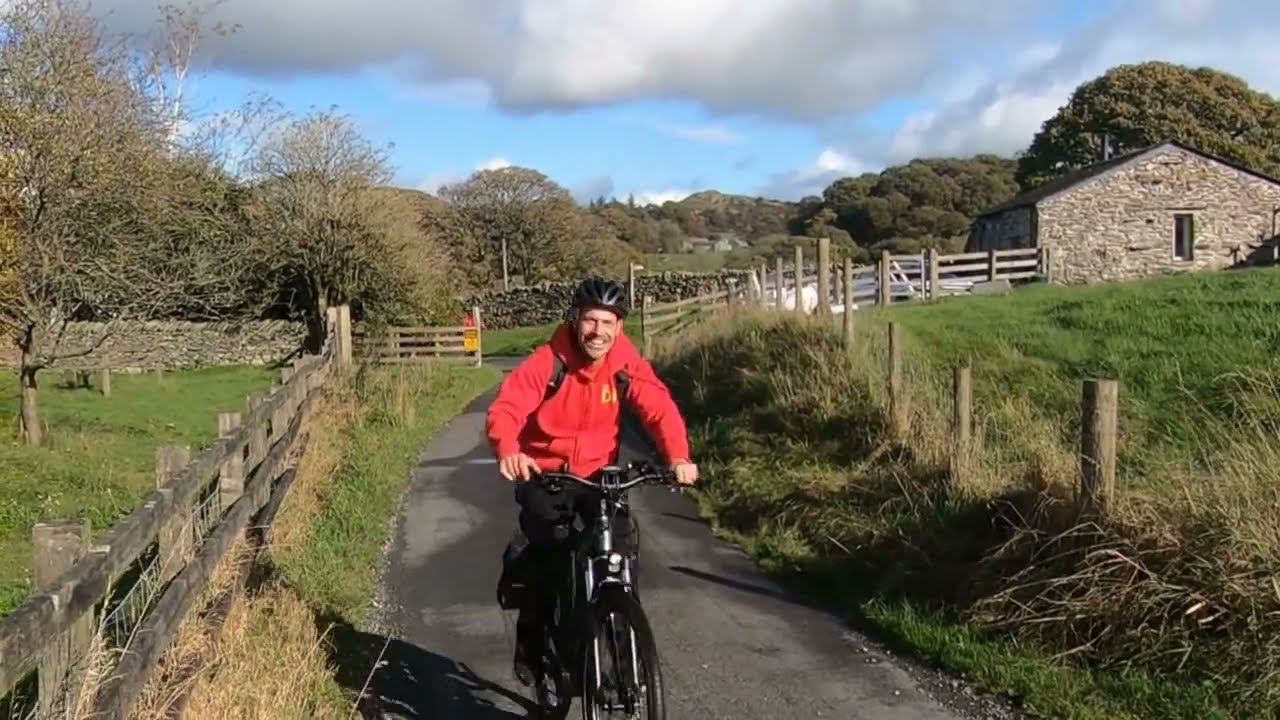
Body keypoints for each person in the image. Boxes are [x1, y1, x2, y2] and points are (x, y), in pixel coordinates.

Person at [485, 276, 698, 685]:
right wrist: (509, 449)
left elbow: (658, 407)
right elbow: (507, 407)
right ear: (574, 319)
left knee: (618, 559)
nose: (598, 332)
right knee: (550, 557)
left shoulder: (624, 363)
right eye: (590, 321)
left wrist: (678, 457)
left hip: (601, 474)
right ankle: (532, 639)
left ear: (619, 328)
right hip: (545, 472)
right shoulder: (550, 361)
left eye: (608, 323)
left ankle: (624, 671)